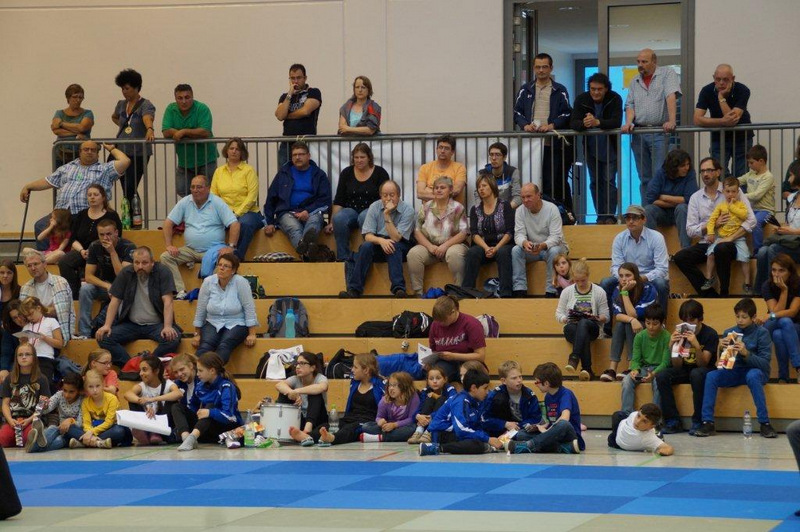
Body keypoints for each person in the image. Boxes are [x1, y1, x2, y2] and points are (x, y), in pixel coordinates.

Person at [20, 140, 129, 251]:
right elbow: (49, 181)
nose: (89, 152)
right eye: (86, 149)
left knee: (76, 232)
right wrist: (28, 186)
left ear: (98, 154)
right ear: (80, 152)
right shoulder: (67, 167)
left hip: (85, 213)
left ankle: (62, 255)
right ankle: (46, 256)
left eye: (93, 150)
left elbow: (125, 161)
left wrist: (111, 149)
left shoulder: (105, 170)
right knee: (40, 225)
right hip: (61, 212)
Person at [673, 157, 756, 297]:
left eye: (709, 170)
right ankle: (709, 295)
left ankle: (724, 293)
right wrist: (712, 225)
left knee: (721, 248)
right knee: (680, 257)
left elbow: (751, 220)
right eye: (703, 171)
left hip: (730, 241)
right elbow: (690, 230)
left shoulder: (732, 190)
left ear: (718, 172)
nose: (705, 174)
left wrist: (731, 237)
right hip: (707, 241)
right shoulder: (695, 197)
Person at [695, 298, 776, 438]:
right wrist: (721, 349)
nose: (740, 320)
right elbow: (724, 365)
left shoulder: (762, 333)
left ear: (753, 317)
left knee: (752, 375)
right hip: (735, 371)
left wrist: (746, 353)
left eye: (744, 317)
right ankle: (707, 422)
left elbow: (764, 364)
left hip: (756, 371)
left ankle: (765, 423)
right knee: (711, 376)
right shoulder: (730, 332)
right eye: (737, 316)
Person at [95, 247, 181, 368]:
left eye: (144, 263)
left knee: (173, 338)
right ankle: (131, 367)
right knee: (104, 337)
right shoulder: (126, 273)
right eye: (137, 263)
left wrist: (167, 326)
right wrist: (107, 325)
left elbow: (168, 301)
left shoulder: (163, 272)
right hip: (132, 324)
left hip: (157, 324)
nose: (140, 266)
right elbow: (115, 300)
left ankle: (150, 365)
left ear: (152, 262)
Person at [161, 175, 239, 298]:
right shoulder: (185, 202)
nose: (195, 190)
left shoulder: (217, 202)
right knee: (166, 257)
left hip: (214, 249)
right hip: (190, 250)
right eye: (192, 187)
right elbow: (168, 223)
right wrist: (169, 245)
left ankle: (213, 293)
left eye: (199, 187)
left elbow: (234, 224)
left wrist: (230, 247)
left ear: (208, 188)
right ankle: (180, 291)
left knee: (224, 260)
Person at [513, 53, 574, 210]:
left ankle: (559, 213)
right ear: (534, 68)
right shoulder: (525, 89)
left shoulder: (560, 90)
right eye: (538, 67)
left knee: (553, 182)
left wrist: (552, 125)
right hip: (530, 146)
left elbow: (567, 113)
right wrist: (525, 125)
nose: (541, 70)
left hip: (552, 145)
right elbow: (517, 112)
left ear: (551, 68)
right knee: (532, 181)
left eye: (544, 67)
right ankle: (535, 213)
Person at [621, 49, 681, 199]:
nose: (640, 65)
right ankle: (647, 209)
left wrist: (672, 121)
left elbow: (670, 95)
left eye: (644, 61)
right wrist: (628, 122)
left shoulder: (666, 73)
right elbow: (630, 105)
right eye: (638, 61)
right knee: (644, 177)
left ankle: (659, 209)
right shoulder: (634, 81)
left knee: (659, 174)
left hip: (659, 131)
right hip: (639, 133)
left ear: (654, 62)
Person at [340, 180, 414, 299]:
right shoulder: (374, 206)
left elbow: (396, 238)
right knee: (366, 246)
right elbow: (367, 235)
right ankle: (354, 289)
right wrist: (381, 241)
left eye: (392, 195)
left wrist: (386, 214)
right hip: (379, 242)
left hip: (400, 244)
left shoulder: (408, 210)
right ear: (380, 196)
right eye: (385, 195)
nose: (388, 199)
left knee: (393, 245)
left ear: (399, 195)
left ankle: (399, 288)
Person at [655, 299, 719, 435]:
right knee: (662, 375)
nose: (689, 325)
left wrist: (696, 346)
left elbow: (703, 363)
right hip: (686, 369)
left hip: (705, 370)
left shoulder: (710, 334)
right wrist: (672, 346)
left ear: (700, 319)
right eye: (685, 321)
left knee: (696, 374)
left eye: (692, 321)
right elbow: (677, 365)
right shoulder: (681, 333)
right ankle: (673, 421)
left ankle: (698, 420)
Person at [293, 352, 384, 446]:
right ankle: (308, 436)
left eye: (355, 367)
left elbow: (388, 406)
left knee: (349, 429)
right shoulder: (354, 384)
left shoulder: (380, 386)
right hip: (350, 418)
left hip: (367, 422)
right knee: (328, 425)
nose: (352, 369)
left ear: (366, 370)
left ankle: (332, 438)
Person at [262, 141, 331, 258]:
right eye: (294, 155)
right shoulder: (283, 173)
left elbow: (325, 199)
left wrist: (307, 211)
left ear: (308, 156)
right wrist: (269, 222)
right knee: (294, 228)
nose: (297, 157)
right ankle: (309, 254)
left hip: (311, 212)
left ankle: (305, 253)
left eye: (301, 154)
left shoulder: (319, 174)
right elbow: (271, 199)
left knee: (313, 224)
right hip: (287, 212)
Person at [570, 72, 623, 224]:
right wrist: (584, 123)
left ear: (606, 89)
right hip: (591, 149)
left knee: (609, 182)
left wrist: (598, 122)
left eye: (599, 89)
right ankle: (600, 215)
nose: (596, 92)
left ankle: (610, 216)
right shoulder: (582, 99)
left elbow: (616, 121)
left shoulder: (615, 98)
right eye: (593, 89)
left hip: (610, 149)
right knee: (595, 182)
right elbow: (573, 122)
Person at [600, 205, 669, 320]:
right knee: (605, 283)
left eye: (635, 218)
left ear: (644, 219)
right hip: (626, 276)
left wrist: (641, 278)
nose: (631, 221)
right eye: (628, 218)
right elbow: (616, 266)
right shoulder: (619, 238)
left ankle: (660, 322)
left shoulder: (656, 237)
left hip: (648, 277)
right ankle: (607, 326)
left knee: (661, 284)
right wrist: (623, 278)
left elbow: (662, 269)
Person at [57, 184, 123, 300]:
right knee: (64, 261)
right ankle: (74, 294)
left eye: (96, 195)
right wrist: (81, 250)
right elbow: (72, 238)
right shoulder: (81, 214)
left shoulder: (112, 215)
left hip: (102, 251)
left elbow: (117, 236)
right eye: (89, 195)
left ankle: (98, 292)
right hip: (82, 251)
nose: (92, 197)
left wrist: (96, 249)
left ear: (103, 197)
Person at [327, 143, 389, 260]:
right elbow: (339, 199)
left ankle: (367, 254)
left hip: (372, 210)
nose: (359, 160)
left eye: (362, 157)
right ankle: (343, 257)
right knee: (339, 218)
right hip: (351, 210)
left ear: (369, 157)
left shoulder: (380, 172)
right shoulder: (346, 173)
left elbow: (385, 197)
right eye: (356, 157)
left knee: (364, 217)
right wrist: (332, 222)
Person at [192, 254, 258, 364]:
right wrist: (197, 334)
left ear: (233, 270)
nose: (221, 268)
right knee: (205, 345)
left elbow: (249, 307)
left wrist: (252, 334)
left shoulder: (241, 282)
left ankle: (213, 371)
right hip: (212, 321)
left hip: (237, 322)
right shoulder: (208, 282)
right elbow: (201, 308)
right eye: (220, 265)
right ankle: (194, 371)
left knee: (224, 345)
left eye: (226, 266)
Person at [407, 177, 468, 295]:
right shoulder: (425, 207)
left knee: (455, 254)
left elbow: (464, 232)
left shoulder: (458, 207)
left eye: (442, 187)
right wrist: (430, 246)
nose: (439, 190)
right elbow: (417, 231)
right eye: (436, 188)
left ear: (450, 190)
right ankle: (418, 293)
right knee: (413, 254)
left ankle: (459, 291)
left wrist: (445, 246)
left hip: (452, 245)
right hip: (430, 248)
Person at [419, 369, 503, 456]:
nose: (487, 392)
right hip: (443, 434)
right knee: (475, 443)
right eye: (485, 388)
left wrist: (491, 436)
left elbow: (479, 424)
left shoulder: (475, 400)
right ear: (473, 388)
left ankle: (486, 446)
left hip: (455, 432)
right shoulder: (460, 401)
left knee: (484, 436)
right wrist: (487, 439)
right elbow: (461, 429)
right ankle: (437, 448)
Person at [76, 219, 135, 339]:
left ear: (116, 233)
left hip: (124, 289)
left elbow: (122, 276)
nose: (105, 238)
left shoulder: (128, 247)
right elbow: (88, 276)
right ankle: (84, 333)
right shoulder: (95, 246)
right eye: (101, 234)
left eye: (109, 234)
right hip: (105, 286)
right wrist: (107, 286)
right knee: (86, 289)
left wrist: (112, 252)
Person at [506, 362, 582, 454]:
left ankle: (528, 446)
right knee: (521, 435)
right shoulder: (548, 397)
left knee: (563, 424)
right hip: (555, 435)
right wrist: (541, 427)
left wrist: (547, 431)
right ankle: (564, 447)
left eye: (537, 382)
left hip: (569, 435)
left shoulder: (566, 394)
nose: (536, 384)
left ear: (546, 383)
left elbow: (565, 418)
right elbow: (552, 421)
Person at [694, 64, 753, 177]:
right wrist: (722, 121)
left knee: (741, 175)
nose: (721, 83)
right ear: (713, 78)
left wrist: (721, 98)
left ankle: (736, 189)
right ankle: (726, 188)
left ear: (733, 78)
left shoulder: (742, 90)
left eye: (725, 79)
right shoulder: (706, 90)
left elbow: (732, 119)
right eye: (718, 79)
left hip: (742, 138)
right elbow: (697, 119)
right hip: (719, 137)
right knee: (719, 173)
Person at [210, 138, 265, 261]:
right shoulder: (219, 171)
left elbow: (252, 196)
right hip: (225, 213)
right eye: (231, 148)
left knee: (244, 224)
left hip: (249, 212)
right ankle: (211, 257)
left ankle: (235, 257)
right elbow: (214, 195)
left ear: (242, 152)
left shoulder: (248, 170)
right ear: (227, 151)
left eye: (237, 149)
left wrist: (237, 214)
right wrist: (224, 213)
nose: (234, 151)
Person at [602, 262, 657, 382]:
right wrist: (632, 320)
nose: (624, 279)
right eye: (621, 276)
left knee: (627, 323)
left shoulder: (648, 289)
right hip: (632, 323)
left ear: (636, 276)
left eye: (628, 275)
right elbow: (618, 316)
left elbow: (634, 314)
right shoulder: (617, 289)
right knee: (622, 324)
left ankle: (633, 366)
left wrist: (625, 293)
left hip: (649, 326)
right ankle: (612, 369)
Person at [462, 171, 514, 298]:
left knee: (503, 253)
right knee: (472, 253)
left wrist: (496, 248)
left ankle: (506, 293)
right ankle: (466, 291)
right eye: (479, 187)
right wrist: (486, 248)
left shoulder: (505, 205)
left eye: (484, 186)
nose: (481, 189)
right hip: (483, 245)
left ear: (492, 186)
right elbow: (474, 234)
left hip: (503, 243)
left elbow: (509, 232)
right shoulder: (475, 209)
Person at [176, 352, 242, 451]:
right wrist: (196, 414)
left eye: (200, 371)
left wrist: (210, 412)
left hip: (225, 428)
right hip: (205, 428)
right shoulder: (200, 386)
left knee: (210, 406)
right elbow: (193, 407)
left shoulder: (226, 387)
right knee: (177, 407)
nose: (197, 374)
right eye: (197, 370)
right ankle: (186, 438)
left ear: (212, 371)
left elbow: (230, 417)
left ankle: (192, 438)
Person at [556, 259, 609, 381]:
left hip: (592, 328)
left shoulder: (599, 291)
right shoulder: (567, 291)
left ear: (588, 276)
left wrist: (595, 317)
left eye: (583, 280)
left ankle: (574, 357)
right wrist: (565, 319)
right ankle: (587, 370)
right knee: (578, 330)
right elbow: (558, 313)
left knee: (584, 323)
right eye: (576, 281)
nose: (580, 284)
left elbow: (606, 316)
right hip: (572, 327)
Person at [162, 84, 218, 198]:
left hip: (206, 159)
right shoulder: (171, 109)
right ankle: (193, 209)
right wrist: (182, 133)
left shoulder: (201, 108)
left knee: (208, 191)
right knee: (182, 189)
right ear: (175, 99)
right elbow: (166, 130)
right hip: (185, 161)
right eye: (180, 98)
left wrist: (183, 132)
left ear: (192, 97)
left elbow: (205, 131)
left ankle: (206, 210)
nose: (184, 101)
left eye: (187, 97)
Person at [511, 183, 567, 298]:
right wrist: (524, 243)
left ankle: (551, 290)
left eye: (529, 196)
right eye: (523, 197)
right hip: (532, 250)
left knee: (554, 250)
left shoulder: (552, 209)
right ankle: (519, 290)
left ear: (538, 195)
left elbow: (556, 237)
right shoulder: (520, 211)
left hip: (550, 249)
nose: (525, 200)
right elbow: (519, 235)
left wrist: (542, 245)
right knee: (516, 250)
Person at [112, 69, 155, 203]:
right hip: (121, 151)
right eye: (122, 89)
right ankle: (131, 213)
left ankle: (135, 214)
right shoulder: (121, 104)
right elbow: (114, 117)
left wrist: (149, 129)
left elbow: (147, 117)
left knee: (130, 186)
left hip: (138, 153)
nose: (124, 92)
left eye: (127, 88)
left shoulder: (146, 104)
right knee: (125, 187)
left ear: (136, 88)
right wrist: (125, 128)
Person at [702, 177, 752, 294]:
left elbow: (744, 215)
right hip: (722, 237)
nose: (730, 194)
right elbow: (711, 220)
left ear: (738, 192)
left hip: (738, 238)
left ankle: (747, 282)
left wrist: (732, 206)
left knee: (745, 257)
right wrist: (710, 233)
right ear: (723, 192)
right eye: (728, 191)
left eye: (733, 191)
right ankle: (709, 278)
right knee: (710, 254)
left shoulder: (741, 205)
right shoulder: (720, 206)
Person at [756, 254, 800, 384]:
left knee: (779, 334)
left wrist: (772, 315)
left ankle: (783, 376)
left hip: (795, 325)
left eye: (781, 270)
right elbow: (775, 311)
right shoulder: (767, 285)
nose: (776, 274)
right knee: (783, 322)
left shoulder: (798, 284)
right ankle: (798, 366)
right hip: (773, 323)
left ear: (790, 272)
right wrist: (784, 291)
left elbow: (792, 312)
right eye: (774, 270)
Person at [755, 164, 800, 290]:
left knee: (773, 249)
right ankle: (759, 290)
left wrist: (793, 232)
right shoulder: (792, 197)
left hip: (797, 243)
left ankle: (773, 288)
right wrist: (782, 229)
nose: (788, 179)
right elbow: (791, 222)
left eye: (791, 175)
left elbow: (794, 229)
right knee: (762, 251)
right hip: (791, 241)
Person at [620, 303, 669, 413]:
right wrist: (635, 370)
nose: (651, 327)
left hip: (659, 370)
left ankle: (654, 417)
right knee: (627, 380)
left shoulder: (667, 337)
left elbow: (665, 362)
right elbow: (636, 359)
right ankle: (626, 415)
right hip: (644, 368)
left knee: (658, 383)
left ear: (662, 323)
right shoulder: (640, 336)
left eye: (655, 324)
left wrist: (654, 373)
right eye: (648, 323)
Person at [123, 355, 182, 446]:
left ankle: (156, 432)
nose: (141, 373)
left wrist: (152, 399)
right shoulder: (142, 386)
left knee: (172, 401)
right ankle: (144, 431)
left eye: (144, 370)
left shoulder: (167, 384)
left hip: (163, 424)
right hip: (147, 421)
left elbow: (178, 393)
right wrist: (142, 402)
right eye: (140, 370)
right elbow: (127, 394)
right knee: (133, 400)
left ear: (156, 371)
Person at [644, 149, 698, 247]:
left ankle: (686, 249)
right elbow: (650, 199)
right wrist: (677, 201)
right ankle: (649, 249)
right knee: (648, 210)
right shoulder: (661, 174)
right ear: (674, 167)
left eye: (688, 164)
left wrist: (664, 197)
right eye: (683, 166)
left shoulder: (690, 173)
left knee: (682, 208)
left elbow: (691, 199)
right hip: (662, 213)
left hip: (682, 214)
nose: (686, 168)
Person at [427, 295, 487, 383]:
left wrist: (454, 356)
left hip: (468, 362)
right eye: (438, 320)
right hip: (445, 363)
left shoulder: (472, 324)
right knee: (435, 376)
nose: (440, 323)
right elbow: (433, 350)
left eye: (444, 320)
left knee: (471, 377)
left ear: (453, 312)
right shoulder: (435, 324)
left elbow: (480, 356)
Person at [0, 343, 50, 448]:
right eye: (20, 355)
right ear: (16, 358)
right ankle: (15, 438)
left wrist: (29, 420)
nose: (23, 357)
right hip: (13, 420)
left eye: (27, 354)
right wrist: (10, 420)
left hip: (32, 420)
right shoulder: (9, 378)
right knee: (3, 439)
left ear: (34, 357)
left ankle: (30, 436)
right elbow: (5, 404)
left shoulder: (42, 379)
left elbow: (42, 407)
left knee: (29, 438)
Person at [19, 250, 74, 344]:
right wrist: (48, 310)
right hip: (34, 332)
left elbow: (64, 312)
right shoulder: (25, 288)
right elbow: (25, 315)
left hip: (57, 331)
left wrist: (38, 311)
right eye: (29, 265)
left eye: (36, 264)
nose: (33, 268)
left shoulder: (61, 283)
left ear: (44, 264)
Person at [70, 369, 132, 448]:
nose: (95, 390)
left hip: (110, 428)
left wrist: (91, 432)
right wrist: (89, 432)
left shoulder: (112, 399)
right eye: (90, 387)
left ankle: (84, 442)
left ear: (103, 384)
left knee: (119, 430)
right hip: (95, 429)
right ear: (86, 388)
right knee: (70, 428)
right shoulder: (85, 402)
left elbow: (109, 422)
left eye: (98, 386)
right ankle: (98, 443)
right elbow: (86, 423)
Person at [274, 64, 322, 168]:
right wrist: (290, 94)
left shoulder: (313, 92)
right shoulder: (285, 96)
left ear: (305, 78)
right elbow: (280, 116)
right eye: (292, 78)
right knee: (284, 173)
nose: (295, 81)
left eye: (299, 78)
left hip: (307, 142)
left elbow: (305, 111)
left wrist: (287, 115)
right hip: (287, 143)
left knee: (307, 171)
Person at [482, 360, 542, 441]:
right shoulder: (494, 396)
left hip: (521, 430)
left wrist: (518, 426)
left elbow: (536, 418)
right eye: (514, 378)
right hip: (500, 430)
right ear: (504, 381)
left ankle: (507, 441)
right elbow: (485, 419)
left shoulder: (529, 395)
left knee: (523, 435)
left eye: (520, 376)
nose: (519, 380)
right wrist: (505, 424)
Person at [275, 352, 329, 443]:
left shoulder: (320, 378)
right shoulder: (295, 379)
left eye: (302, 363)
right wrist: (291, 393)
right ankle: (284, 428)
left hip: (317, 419)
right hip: (300, 419)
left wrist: (296, 391)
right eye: (297, 363)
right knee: (284, 393)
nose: (297, 367)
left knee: (315, 394)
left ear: (312, 368)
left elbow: (322, 387)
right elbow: (279, 385)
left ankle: (307, 431)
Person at [26, 371, 83, 453]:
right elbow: (46, 410)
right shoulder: (59, 395)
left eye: (71, 392)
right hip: (60, 429)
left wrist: (70, 421)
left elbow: (80, 423)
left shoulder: (83, 400)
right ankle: (35, 445)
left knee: (59, 440)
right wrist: (44, 405)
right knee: (52, 428)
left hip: (73, 433)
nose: (67, 395)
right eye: (65, 390)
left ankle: (34, 446)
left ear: (79, 390)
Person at [360, 371, 420, 443]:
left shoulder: (413, 397)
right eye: (390, 385)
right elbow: (379, 417)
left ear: (404, 386)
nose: (391, 388)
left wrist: (394, 425)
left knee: (412, 429)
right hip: (388, 427)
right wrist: (380, 422)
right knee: (366, 426)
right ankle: (392, 436)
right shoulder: (385, 399)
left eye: (394, 385)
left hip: (403, 426)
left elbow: (411, 419)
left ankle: (379, 438)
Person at [738, 144, 776, 253]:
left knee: (756, 222)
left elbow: (757, 195)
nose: (749, 165)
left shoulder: (768, 177)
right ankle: (739, 250)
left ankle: (757, 251)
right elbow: (739, 180)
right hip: (751, 209)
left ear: (761, 161)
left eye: (751, 163)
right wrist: (729, 185)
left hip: (766, 211)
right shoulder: (751, 173)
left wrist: (740, 196)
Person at [407, 366, 455, 445]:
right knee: (429, 399)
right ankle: (419, 430)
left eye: (438, 378)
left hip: (441, 423)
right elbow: (419, 407)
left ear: (445, 379)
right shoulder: (425, 391)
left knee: (442, 399)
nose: (435, 381)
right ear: (427, 381)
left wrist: (431, 416)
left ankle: (429, 431)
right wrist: (418, 416)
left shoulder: (450, 390)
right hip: (425, 422)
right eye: (431, 379)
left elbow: (450, 407)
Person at [20, 296, 63, 382]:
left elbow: (60, 344)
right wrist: (23, 342)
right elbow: (23, 348)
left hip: (45, 358)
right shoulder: (26, 327)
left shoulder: (51, 321)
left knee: (44, 382)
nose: (29, 318)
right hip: (29, 359)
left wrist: (45, 338)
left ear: (38, 308)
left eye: (31, 314)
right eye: (27, 316)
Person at [51, 83, 94, 167]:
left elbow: (82, 128)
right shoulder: (59, 113)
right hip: (61, 154)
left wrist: (61, 124)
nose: (78, 100)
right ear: (68, 98)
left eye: (80, 97)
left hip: (81, 155)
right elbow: (56, 130)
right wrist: (77, 133)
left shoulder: (88, 113)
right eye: (75, 97)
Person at [416, 135, 467, 205]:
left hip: (453, 210)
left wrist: (429, 190)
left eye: (446, 148)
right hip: (429, 210)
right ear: (436, 149)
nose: (442, 151)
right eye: (440, 147)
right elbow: (420, 193)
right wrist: (445, 193)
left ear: (452, 152)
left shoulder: (459, 168)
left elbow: (457, 190)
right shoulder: (425, 168)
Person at [607, 403, 673, 455]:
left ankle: (658, 433)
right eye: (638, 416)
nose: (637, 422)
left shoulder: (648, 438)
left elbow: (668, 448)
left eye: (644, 421)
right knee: (618, 415)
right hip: (619, 431)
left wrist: (663, 451)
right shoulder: (633, 414)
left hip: (619, 444)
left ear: (651, 426)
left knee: (611, 440)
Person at [480, 142, 521, 209]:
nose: (494, 158)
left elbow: (518, 197)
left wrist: (503, 211)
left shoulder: (512, 172)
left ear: (504, 157)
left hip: (507, 210)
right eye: (491, 154)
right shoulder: (482, 173)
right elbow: (478, 197)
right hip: (487, 211)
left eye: (497, 155)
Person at [0, 261, 20, 383]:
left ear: (14, 274)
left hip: (13, 329)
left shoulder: (20, 291)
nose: (5, 276)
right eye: (2, 272)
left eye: (9, 272)